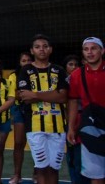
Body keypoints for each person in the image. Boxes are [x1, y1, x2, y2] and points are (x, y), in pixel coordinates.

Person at [17, 34, 68, 184]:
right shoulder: (26, 70)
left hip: (58, 126)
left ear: (50, 49)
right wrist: (53, 94)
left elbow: (63, 97)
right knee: (41, 167)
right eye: (38, 47)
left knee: (54, 168)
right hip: (35, 126)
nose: (42, 50)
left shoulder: (59, 70)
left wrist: (34, 94)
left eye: (45, 46)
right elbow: (24, 97)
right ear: (32, 51)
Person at [68, 37, 104, 184]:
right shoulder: (76, 75)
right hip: (91, 130)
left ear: (102, 51)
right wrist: (71, 128)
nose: (90, 52)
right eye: (86, 49)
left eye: (93, 48)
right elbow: (73, 102)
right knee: (96, 175)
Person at [63, 54, 88, 184]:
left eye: (76, 64)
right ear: (65, 67)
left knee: (81, 156)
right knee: (71, 156)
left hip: (83, 119)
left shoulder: (83, 79)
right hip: (69, 121)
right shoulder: (63, 82)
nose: (73, 67)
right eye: (70, 64)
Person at [8, 52, 32, 184]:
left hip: (36, 110)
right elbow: (14, 95)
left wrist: (24, 94)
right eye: (24, 60)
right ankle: (17, 175)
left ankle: (37, 174)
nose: (26, 62)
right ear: (20, 62)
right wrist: (32, 95)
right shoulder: (13, 75)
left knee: (36, 144)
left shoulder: (36, 74)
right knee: (18, 143)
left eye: (29, 60)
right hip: (19, 110)